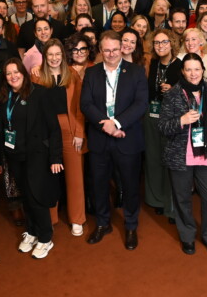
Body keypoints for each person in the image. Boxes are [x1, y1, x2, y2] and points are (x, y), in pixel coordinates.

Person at [81, 30, 148, 250]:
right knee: (99, 184)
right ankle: (103, 223)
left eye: (115, 49)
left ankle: (131, 226)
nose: (111, 54)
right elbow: (86, 104)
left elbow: (141, 104)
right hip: (100, 138)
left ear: (122, 48)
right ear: (100, 51)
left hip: (127, 138)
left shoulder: (136, 72)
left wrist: (117, 123)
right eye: (107, 50)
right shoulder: (91, 73)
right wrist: (106, 126)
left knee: (130, 185)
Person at [159, 53, 207, 256]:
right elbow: (162, 127)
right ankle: (187, 236)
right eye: (188, 69)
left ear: (203, 70)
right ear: (182, 71)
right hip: (181, 157)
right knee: (182, 200)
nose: (193, 73)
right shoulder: (173, 94)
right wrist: (181, 120)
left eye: (197, 69)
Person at [0, 59, 63, 259]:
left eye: (16, 72)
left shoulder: (40, 93)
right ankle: (32, 231)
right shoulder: (4, 98)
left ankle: (46, 237)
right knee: (25, 196)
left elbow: (54, 128)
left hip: (37, 155)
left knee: (36, 196)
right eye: (8, 73)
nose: (13, 76)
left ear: (23, 73)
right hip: (15, 156)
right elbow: (1, 130)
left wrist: (55, 157)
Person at [32, 39, 86, 235]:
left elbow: (80, 106)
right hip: (46, 131)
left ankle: (77, 219)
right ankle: (51, 217)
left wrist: (79, 133)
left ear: (63, 55)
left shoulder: (72, 75)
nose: (54, 58)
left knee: (75, 177)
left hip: (69, 128)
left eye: (57, 54)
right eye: (50, 54)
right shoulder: (37, 76)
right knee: (49, 176)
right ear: (45, 57)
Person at [144, 29, 181, 222]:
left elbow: (188, 93)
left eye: (164, 42)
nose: (160, 46)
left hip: (172, 119)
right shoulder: (152, 64)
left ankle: (171, 204)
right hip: (151, 116)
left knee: (170, 161)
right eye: (157, 42)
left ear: (172, 43)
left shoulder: (180, 66)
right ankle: (157, 200)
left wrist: (173, 90)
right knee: (153, 158)